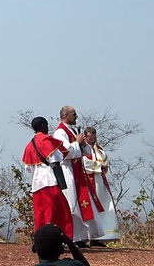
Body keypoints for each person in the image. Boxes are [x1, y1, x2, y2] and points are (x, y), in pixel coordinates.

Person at [52, 106, 104, 247]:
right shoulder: (60, 132)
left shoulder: (74, 130)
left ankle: (87, 236)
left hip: (78, 171)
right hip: (68, 171)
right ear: (65, 115)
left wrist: (82, 144)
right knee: (72, 204)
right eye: (73, 114)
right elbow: (65, 152)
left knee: (85, 203)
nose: (76, 116)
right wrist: (77, 143)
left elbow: (85, 150)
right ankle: (73, 237)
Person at [22, 116, 73, 239]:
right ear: (43, 126)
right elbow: (58, 158)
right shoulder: (47, 141)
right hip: (50, 181)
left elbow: (28, 168)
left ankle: (41, 240)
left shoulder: (29, 146)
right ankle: (62, 239)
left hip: (36, 185)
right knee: (61, 213)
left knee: (41, 215)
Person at [82, 126, 120, 244]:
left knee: (104, 207)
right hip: (88, 181)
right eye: (89, 138)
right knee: (92, 209)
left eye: (93, 138)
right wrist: (98, 166)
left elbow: (104, 161)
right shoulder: (82, 149)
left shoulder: (99, 149)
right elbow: (84, 163)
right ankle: (89, 236)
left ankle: (100, 237)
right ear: (85, 137)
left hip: (100, 181)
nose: (92, 141)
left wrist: (101, 164)